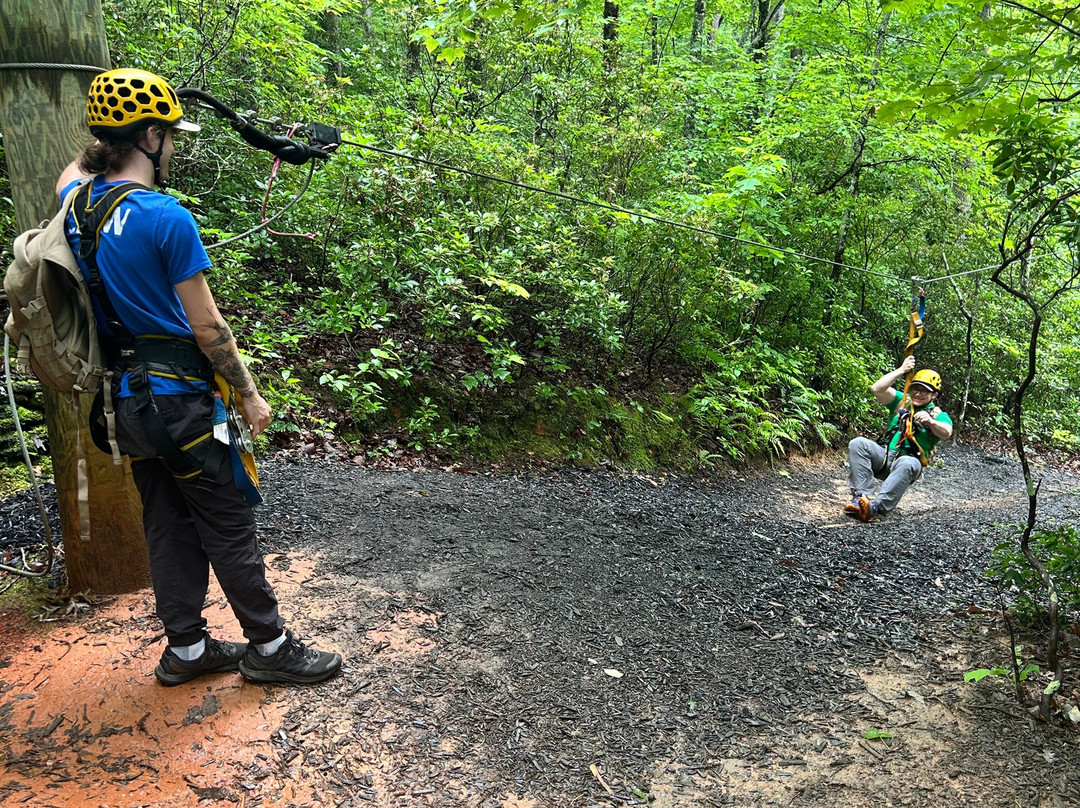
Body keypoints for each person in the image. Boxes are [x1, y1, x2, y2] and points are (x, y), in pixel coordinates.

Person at [57, 68, 342, 686]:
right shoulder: (167, 218)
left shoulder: (77, 207)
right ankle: (268, 647)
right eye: (171, 137)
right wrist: (249, 393)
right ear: (153, 137)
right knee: (227, 517)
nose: (175, 148)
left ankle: (185, 649)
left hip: (125, 404)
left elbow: (74, 172)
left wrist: (120, 131)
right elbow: (208, 327)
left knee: (166, 520)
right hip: (182, 403)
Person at [845, 355, 953, 522]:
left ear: (934, 395)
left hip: (907, 463)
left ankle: (876, 508)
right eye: (915, 388)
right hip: (885, 456)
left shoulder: (938, 415)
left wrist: (931, 422)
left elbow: (947, 432)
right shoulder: (902, 402)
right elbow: (877, 389)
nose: (918, 393)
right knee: (858, 443)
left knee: (907, 463)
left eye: (925, 390)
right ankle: (861, 499)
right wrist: (902, 370)